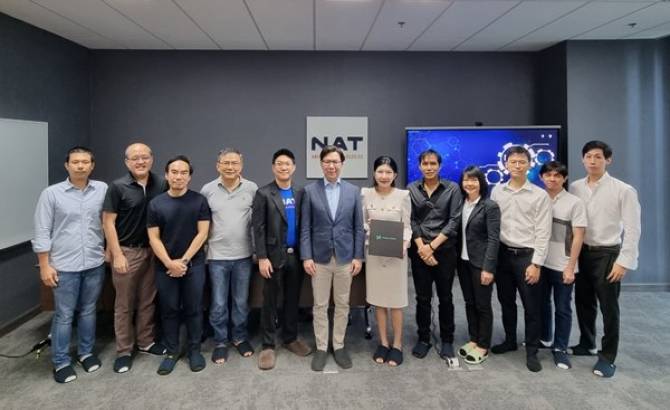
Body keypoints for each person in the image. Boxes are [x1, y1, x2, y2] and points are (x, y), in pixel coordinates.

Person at [32, 146, 108, 383]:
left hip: (94, 262)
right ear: (67, 165)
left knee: (88, 310)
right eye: (75, 162)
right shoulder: (51, 194)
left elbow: (108, 222)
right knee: (64, 315)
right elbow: (42, 230)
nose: (80, 166)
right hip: (64, 265)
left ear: (92, 166)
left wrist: (109, 250)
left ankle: (86, 353)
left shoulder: (102, 189)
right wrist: (45, 265)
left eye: (85, 162)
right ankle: (61, 362)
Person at [569, 140, 641, 378]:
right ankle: (586, 343)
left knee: (609, 308)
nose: (593, 161)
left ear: (608, 160)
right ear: (583, 159)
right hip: (582, 252)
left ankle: (608, 357)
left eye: (598, 157)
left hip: (608, 253)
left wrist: (624, 261)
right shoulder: (576, 187)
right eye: (589, 156)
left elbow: (633, 229)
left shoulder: (624, 190)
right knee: (583, 301)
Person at [103, 143, 166, 374]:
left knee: (148, 300)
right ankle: (124, 351)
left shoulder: (161, 183)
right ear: (127, 162)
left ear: (152, 159)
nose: (140, 161)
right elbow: (108, 222)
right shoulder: (117, 187)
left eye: (145, 157)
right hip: (127, 251)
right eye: (135, 158)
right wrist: (116, 253)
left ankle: (146, 342)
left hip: (153, 250)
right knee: (124, 304)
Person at [300, 145, 365, 371]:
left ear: (342, 164)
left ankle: (338, 345)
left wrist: (358, 256)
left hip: (346, 257)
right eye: (327, 161)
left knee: (343, 304)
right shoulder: (310, 191)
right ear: (321, 164)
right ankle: (321, 347)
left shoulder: (353, 191)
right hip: (319, 258)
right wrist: (306, 256)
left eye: (335, 161)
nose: (331, 165)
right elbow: (305, 227)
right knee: (319, 305)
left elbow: (358, 227)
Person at [490, 145, 552, 372]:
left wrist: (537, 264)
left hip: (527, 256)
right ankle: (510, 340)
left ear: (529, 165)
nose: (517, 166)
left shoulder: (539, 195)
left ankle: (532, 351)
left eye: (521, 162)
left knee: (531, 306)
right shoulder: (497, 191)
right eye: (513, 162)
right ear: (506, 164)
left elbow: (544, 232)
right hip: (503, 255)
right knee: (506, 301)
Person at [147, 156, 210, 375]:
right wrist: (169, 263)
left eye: (184, 173)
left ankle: (194, 350)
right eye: (174, 172)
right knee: (169, 309)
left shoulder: (199, 201)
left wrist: (183, 261)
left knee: (194, 309)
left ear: (189, 177)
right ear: (167, 175)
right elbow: (154, 238)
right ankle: (172, 351)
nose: (178, 176)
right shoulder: (156, 204)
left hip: (194, 264)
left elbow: (203, 233)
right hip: (164, 266)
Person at [252, 149, 312, 370]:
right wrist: (262, 257)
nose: (283, 167)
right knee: (270, 300)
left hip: (295, 255)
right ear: (273, 167)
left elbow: (304, 225)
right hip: (272, 256)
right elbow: (258, 228)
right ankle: (268, 345)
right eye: (279, 163)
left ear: (293, 167)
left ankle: (290, 337)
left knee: (292, 299)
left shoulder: (300, 192)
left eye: (287, 164)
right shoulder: (263, 193)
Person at [201, 148, 258, 363]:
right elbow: (201, 223)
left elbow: (258, 223)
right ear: (218, 165)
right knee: (218, 303)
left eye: (234, 163)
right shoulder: (208, 190)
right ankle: (220, 342)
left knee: (241, 301)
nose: (230, 167)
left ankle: (239, 337)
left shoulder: (252, 188)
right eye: (226, 163)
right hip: (216, 256)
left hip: (244, 256)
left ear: (241, 166)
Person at [407, 149, 462, 361]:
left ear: (440, 166)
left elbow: (454, 220)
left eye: (433, 164)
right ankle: (423, 339)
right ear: (419, 166)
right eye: (425, 163)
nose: (429, 167)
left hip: (444, 252)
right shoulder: (411, 189)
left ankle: (447, 339)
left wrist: (432, 247)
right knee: (422, 298)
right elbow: (411, 220)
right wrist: (422, 248)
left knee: (445, 297)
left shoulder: (452, 188)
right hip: (419, 250)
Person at [362, 156, 411, 367]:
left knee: (396, 303)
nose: (384, 176)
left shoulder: (403, 196)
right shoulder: (365, 194)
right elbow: (362, 223)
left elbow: (407, 226)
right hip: (374, 254)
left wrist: (404, 244)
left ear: (395, 175)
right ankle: (383, 342)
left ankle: (397, 345)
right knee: (379, 301)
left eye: (388, 172)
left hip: (396, 255)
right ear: (374, 173)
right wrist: (369, 227)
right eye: (380, 171)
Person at [538, 161, 587, 370]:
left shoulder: (574, 202)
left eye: (557, 175)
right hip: (540, 262)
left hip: (563, 264)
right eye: (548, 175)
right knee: (541, 304)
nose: (552, 179)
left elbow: (579, 236)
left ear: (564, 178)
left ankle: (560, 348)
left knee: (563, 308)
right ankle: (544, 338)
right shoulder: (538, 198)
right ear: (541, 177)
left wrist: (570, 266)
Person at [456, 166, 500, 365]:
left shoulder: (489, 206)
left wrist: (488, 268)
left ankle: (483, 345)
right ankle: (473, 339)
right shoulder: (461, 203)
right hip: (463, 262)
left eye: (474, 180)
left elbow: (493, 239)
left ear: (481, 182)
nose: (469, 183)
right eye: (466, 179)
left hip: (480, 263)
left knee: (483, 305)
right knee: (469, 302)